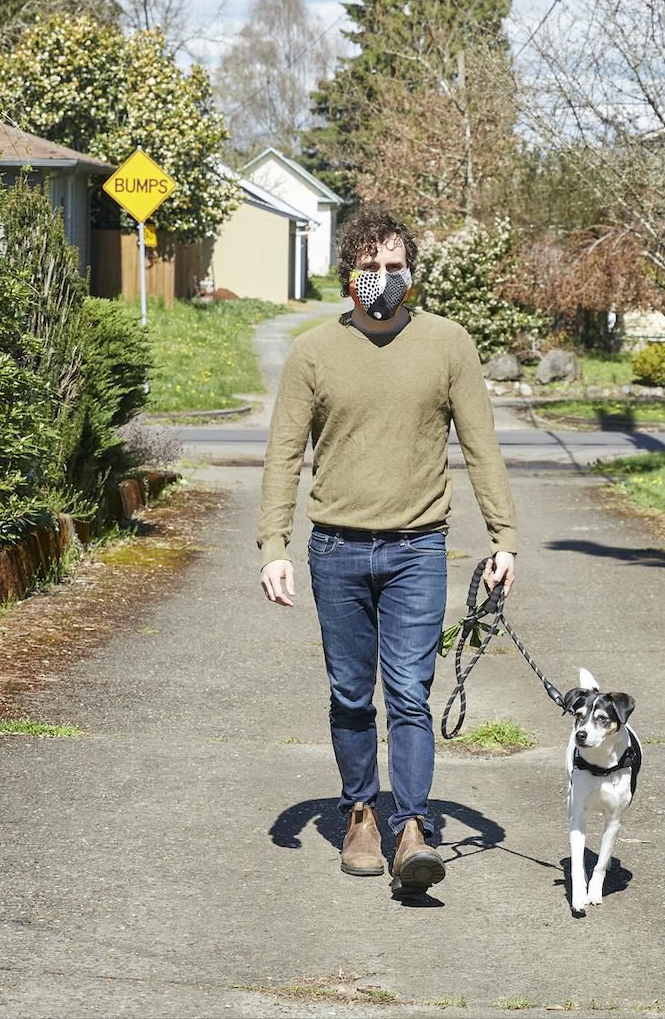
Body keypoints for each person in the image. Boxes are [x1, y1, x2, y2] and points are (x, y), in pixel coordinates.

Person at [257, 204, 518, 894]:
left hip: (417, 550)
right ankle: (362, 813)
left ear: (413, 273)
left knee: (408, 692)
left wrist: (503, 537)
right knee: (349, 694)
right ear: (349, 276)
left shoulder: (448, 344)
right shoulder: (314, 352)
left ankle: (412, 828)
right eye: (370, 268)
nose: (383, 278)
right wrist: (273, 543)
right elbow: (284, 454)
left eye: (394, 267)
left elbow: (481, 447)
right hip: (336, 550)